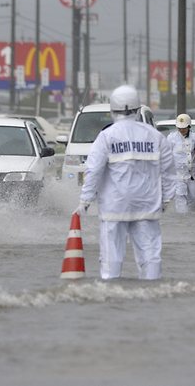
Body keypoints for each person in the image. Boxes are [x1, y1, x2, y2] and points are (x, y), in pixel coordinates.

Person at [73, 85, 176, 280]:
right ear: (138, 109)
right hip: (147, 206)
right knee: (151, 257)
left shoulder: (106, 136)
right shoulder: (154, 136)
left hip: (114, 208)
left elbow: (93, 171)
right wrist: (166, 200)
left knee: (111, 260)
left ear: (112, 110)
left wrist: (84, 201)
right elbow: (170, 172)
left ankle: (111, 298)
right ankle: (152, 295)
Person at [166, 113, 195, 213]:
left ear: (189, 126)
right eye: (180, 128)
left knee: (194, 197)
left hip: (192, 175)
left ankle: (191, 216)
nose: (182, 130)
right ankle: (182, 218)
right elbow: (166, 155)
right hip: (178, 175)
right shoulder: (171, 138)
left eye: (184, 128)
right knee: (180, 196)